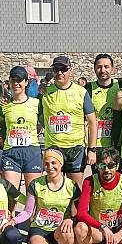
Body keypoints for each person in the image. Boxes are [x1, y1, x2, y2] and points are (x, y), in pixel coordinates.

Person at [40, 55, 97, 188]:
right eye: (56, 69)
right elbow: (37, 115)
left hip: (75, 149)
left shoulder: (81, 92)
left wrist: (92, 149)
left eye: (63, 69)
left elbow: (92, 121)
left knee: (75, 192)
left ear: (70, 71)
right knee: (53, 190)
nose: (60, 73)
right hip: (53, 148)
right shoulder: (45, 92)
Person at [26, 148, 80, 244]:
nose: (50, 167)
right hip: (40, 227)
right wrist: (13, 220)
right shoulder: (35, 184)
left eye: (54, 163)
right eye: (46, 163)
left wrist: (71, 219)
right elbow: (28, 212)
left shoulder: (72, 185)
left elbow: (80, 212)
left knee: (68, 231)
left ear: (61, 164)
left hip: (60, 228)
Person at [0, 66, 43, 189]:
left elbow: (44, 124)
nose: (16, 83)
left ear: (26, 82)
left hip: (31, 151)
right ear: (9, 81)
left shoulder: (36, 103)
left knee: (33, 195)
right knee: (11, 194)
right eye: (13, 80)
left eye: (20, 80)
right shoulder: (4, 105)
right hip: (11, 152)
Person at [85, 54, 122, 159]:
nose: (103, 70)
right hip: (96, 145)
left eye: (106, 67)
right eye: (99, 67)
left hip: (118, 143)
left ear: (112, 69)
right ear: (94, 69)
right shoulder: (88, 89)